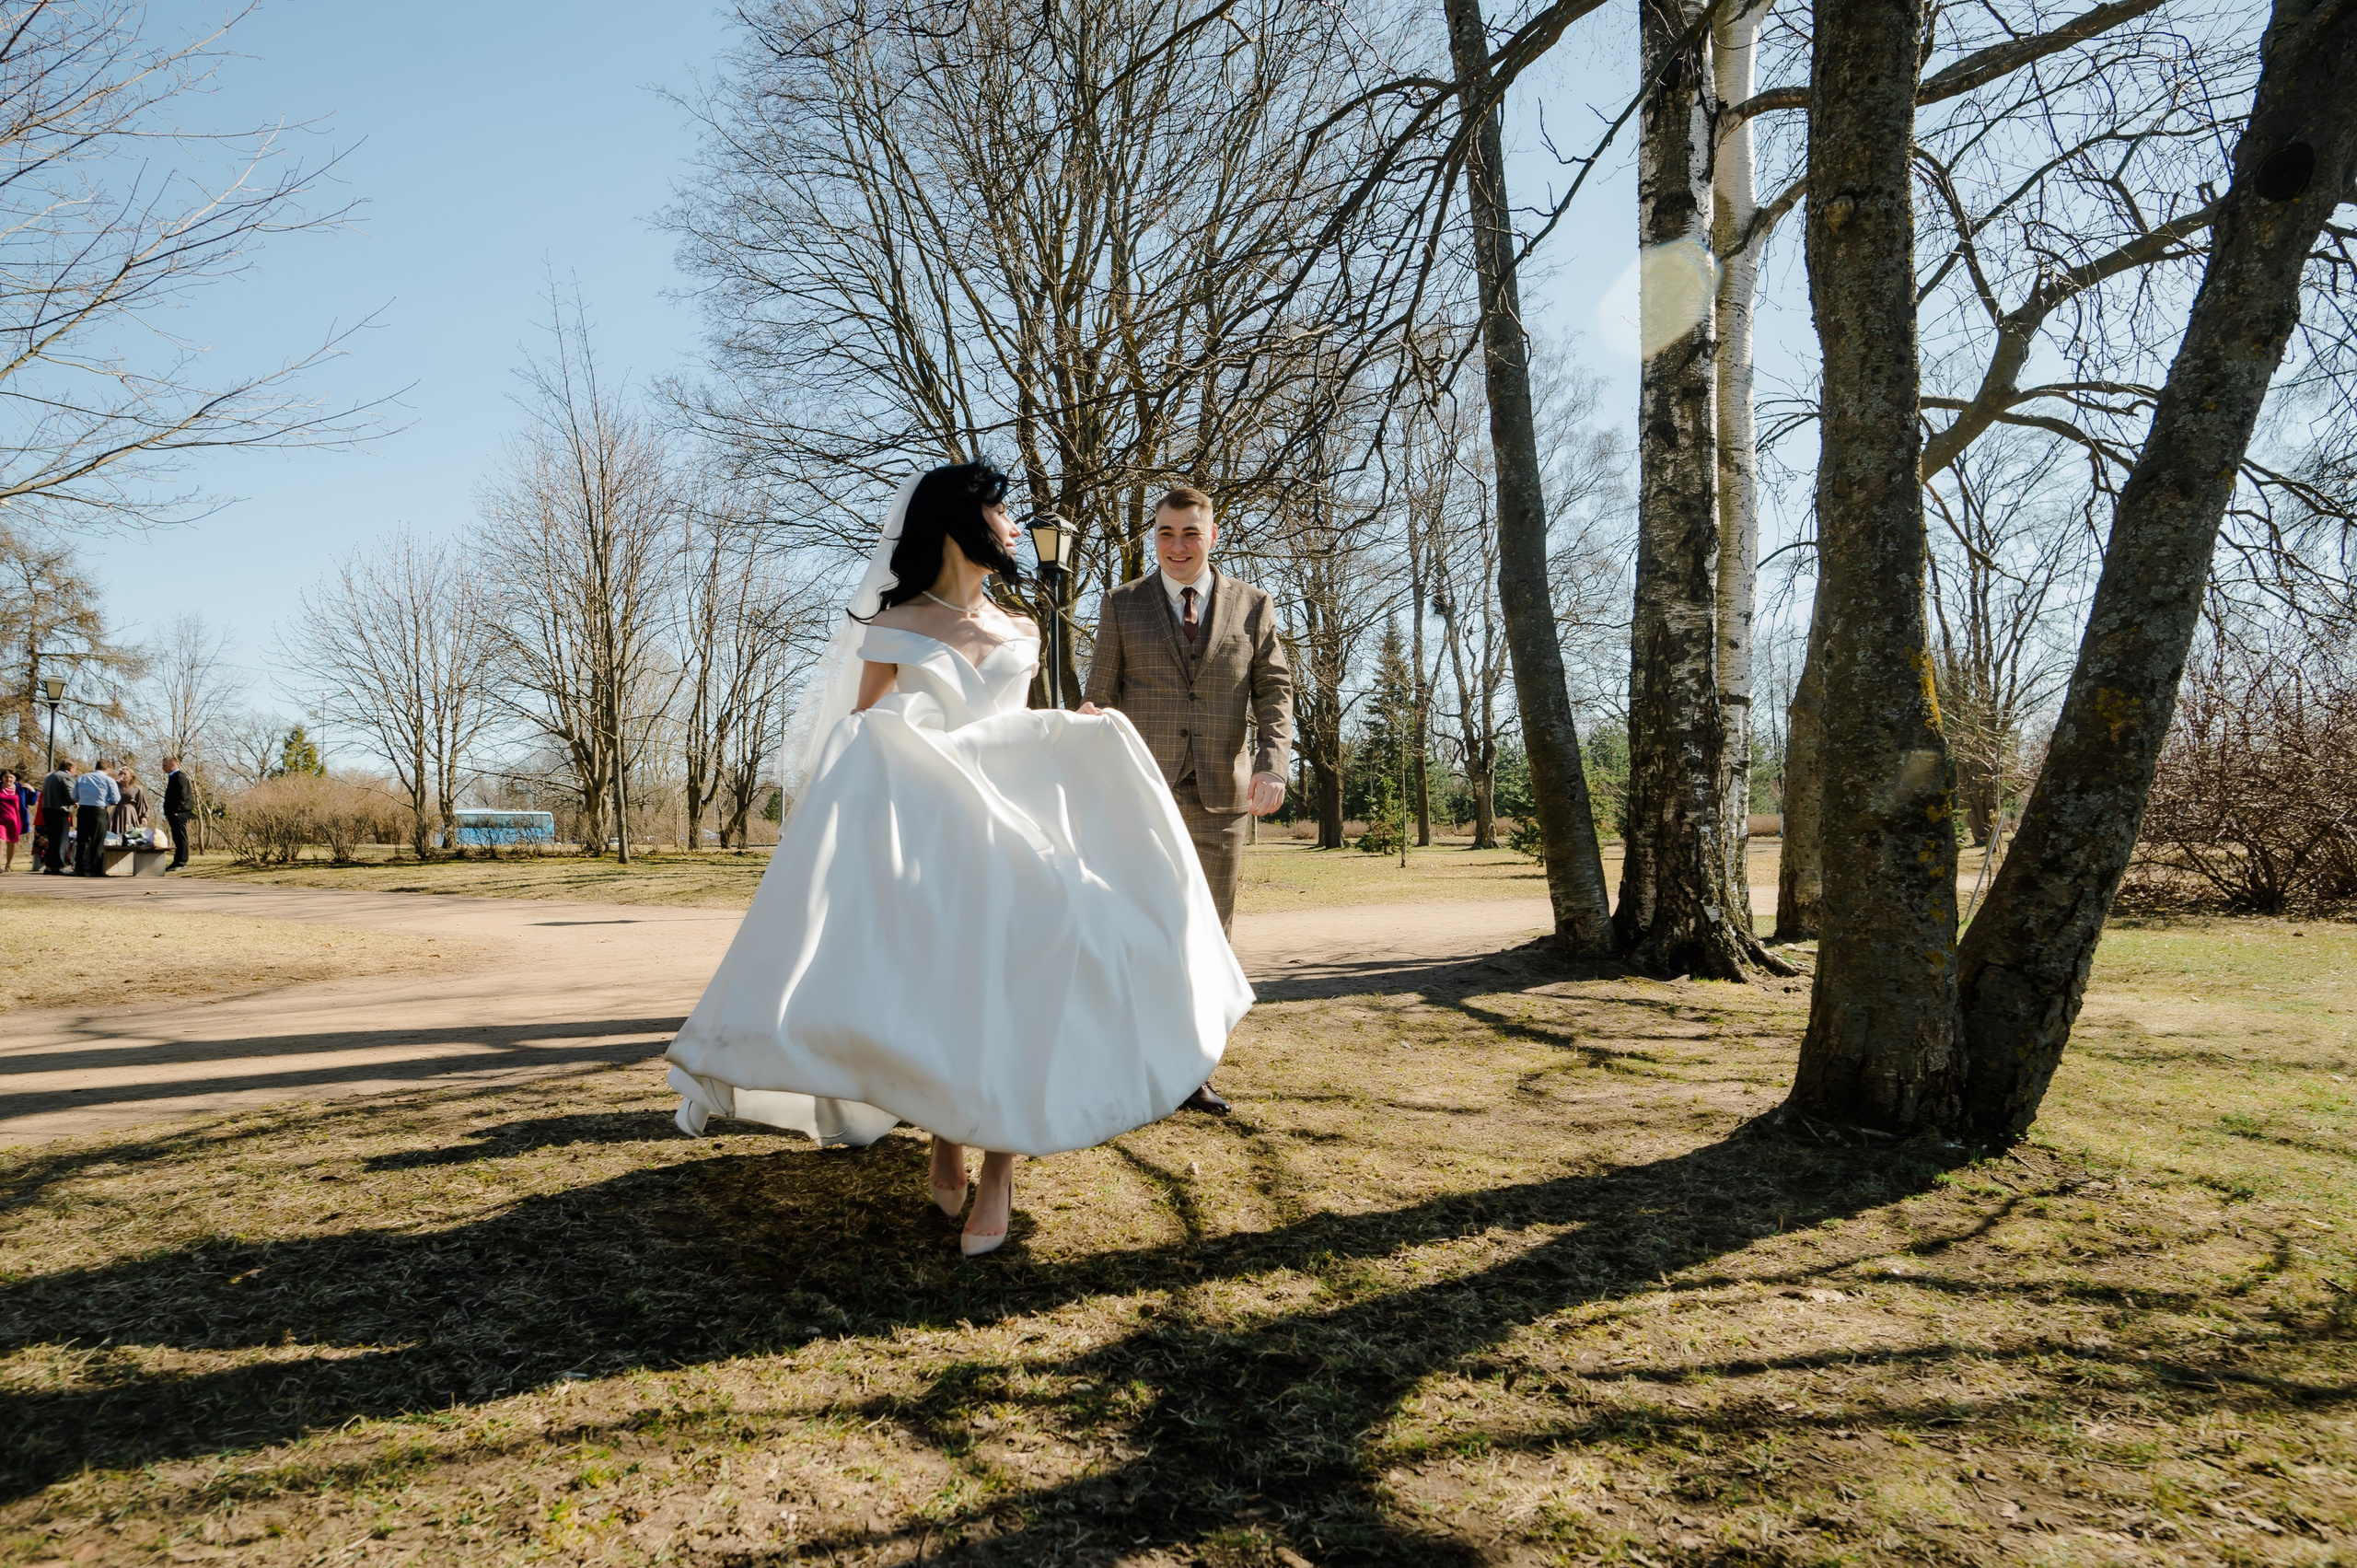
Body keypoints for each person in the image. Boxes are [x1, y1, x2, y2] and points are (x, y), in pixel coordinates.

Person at [664, 461, 1250, 1259]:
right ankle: (948, 1130)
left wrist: (1082, 728)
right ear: (957, 520)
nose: (1013, 523)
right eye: (1000, 509)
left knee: (1038, 958)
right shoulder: (893, 624)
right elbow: (861, 732)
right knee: (948, 978)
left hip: (1017, 829)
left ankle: (1000, 1165)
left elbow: (1026, 730)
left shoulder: (1024, 628)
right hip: (933, 832)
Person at [1081, 483, 1295, 1115]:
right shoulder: (1122, 605)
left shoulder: (1255, 607)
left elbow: (1275, 692)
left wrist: (1273, 764)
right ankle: (1132, 1061)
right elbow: (1099, 694)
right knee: (1136, 930)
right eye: (1166, 533)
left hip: (1221, 797)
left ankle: (1195, 1071)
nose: (1177, 546)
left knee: (1211, 937)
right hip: (1140, 797)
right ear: (1154, 535)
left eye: (1190, 534)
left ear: (1213, 536)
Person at [73, 756, 121, 876]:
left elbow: (74, 797)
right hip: (99, 810)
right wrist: (107, 800)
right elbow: (116, 799)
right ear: (107, 769)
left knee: (82, 839)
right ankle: (96, 869)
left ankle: (80, 867)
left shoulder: (81, 778)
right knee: (97, 840)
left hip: (83, 809)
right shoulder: (109, 780)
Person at [38, 758, 76, 875]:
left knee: (53, 840)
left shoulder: (50, 776)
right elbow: (71, 795)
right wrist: (76, 801)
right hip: (60, 811)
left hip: (48, 810)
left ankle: (49, 866)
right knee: (61, 840)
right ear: (70, 768)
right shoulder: (65, 777)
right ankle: (58, 866)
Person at [161, 757, 194, 869]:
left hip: (179, 812)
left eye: (165, 765)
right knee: (177, 837)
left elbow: (183, 795)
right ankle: (178, 860)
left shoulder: (180, 777)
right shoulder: (173, 777)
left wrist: (177, 810)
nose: (163, 768)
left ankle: (181, 861)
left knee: (180, 837)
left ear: (173, 765)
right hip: (174, 812)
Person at [111, 766, 147, 840]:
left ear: (131, 777)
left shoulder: (137, 789)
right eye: (121, 774)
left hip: (130, 813)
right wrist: (113, 781)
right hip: (117, 812)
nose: (122, 775)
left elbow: (141, 804)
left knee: (130, 832)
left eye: (125, 774)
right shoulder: (115, 786)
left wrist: (143, 817)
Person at [0, 769, 23, 873]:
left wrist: (31, 789)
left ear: (15, 779)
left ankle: (8, 865)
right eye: (6, 776)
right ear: (2, 778)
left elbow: (31, 800)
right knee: (0, 841)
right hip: (1, 820)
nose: (8, 779)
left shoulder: (19, 789)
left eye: (11, 777)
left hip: (14, 820)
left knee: (12, 843)